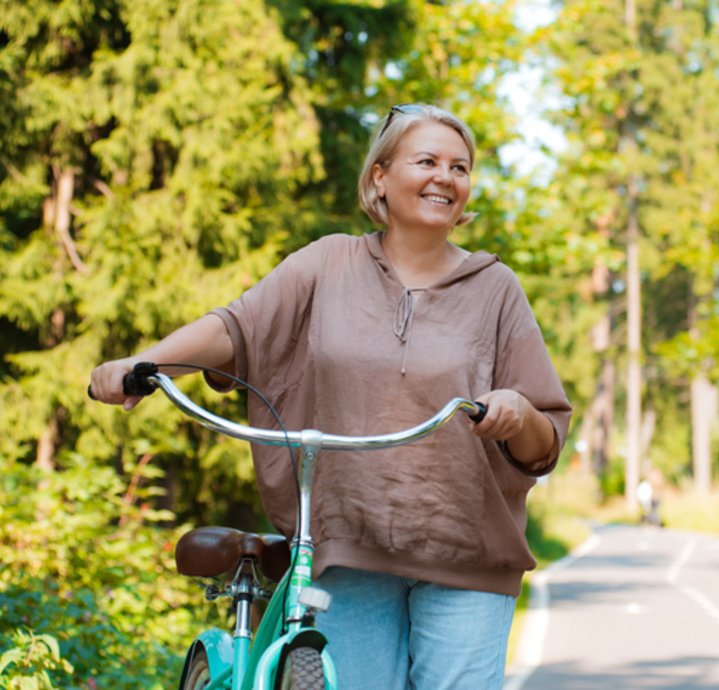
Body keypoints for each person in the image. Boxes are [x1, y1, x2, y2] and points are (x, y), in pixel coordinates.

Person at [89, 103, 572, 690]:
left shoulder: (496, 288)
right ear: (380, 177)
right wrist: (143, 363)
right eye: (427, 161)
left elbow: (544, 437)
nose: (447, 177)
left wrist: (517, 412)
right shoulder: (328, 263)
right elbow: (235, 328)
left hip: (465, 556)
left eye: (460, 167)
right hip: (348, 547)